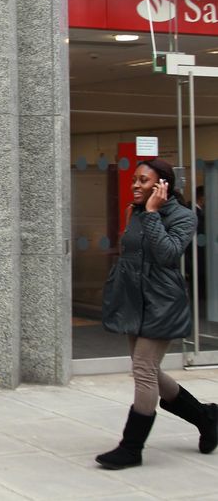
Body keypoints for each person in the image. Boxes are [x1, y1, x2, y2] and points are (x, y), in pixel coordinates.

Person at [97, 158, 218, 469]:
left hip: (162, 302)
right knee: (147, 370)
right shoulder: (133, 212)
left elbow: (167, 255)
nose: (136, 185)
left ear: (163, 185)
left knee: (144, 368)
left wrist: (152, 214)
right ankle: (207, 417)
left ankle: (131, 448)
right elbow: (131, 255)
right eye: (134, 179)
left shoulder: (182, 216)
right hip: (134, 302)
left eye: (144, 180)